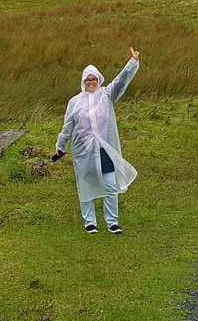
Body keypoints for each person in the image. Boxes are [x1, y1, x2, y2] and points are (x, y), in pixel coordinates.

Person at [50, 47, 140, 234]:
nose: (91, 82)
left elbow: (121, 81)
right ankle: (90, 222)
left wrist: (132, 63)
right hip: (83, 151)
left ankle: (112, 222)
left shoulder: (106, 95)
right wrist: (61, 146)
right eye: (88, 79)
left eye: (94, 79)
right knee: (86, 185)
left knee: (109, 185)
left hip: (104, 149)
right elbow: (68, 126)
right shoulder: (75, 101)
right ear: (83, 81)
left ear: (99, 80)